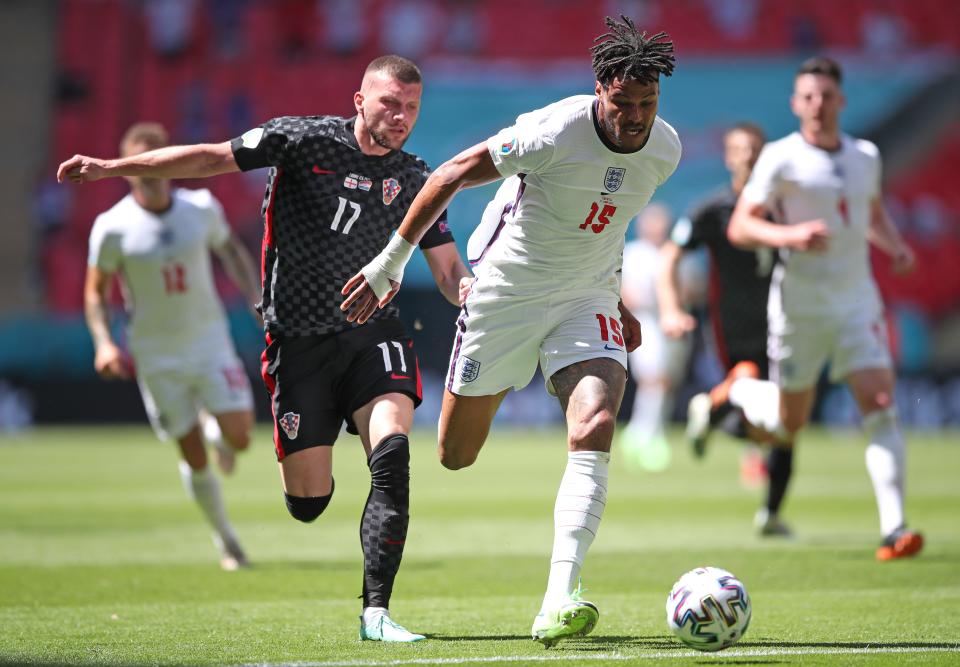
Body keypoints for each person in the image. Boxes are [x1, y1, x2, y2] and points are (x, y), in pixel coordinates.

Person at [60, 55, 471, 641]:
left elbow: (450, 267)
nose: (400, 116)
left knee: (394, 455)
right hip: (298, 344)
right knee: (309, 502)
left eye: (410, 107)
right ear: (359, 100)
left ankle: (376, 614)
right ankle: (306, 484)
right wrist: (111, 168)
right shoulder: (299, 140)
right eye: (388, 103)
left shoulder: (415, 177)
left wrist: (475, 294)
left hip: (373, 336)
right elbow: (209, 156)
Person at [341, 16, 680, 646]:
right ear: (600, 89)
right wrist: (390, 264)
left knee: (596, 422)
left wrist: (617, 294)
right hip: (504, 293)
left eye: (648, 103)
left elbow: (610, 220)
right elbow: (446, 175)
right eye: (624, 102)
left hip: (586, 297)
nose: (636, 117)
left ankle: (560, 596)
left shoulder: (665, 148)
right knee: (455, 454)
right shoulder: (553, 129)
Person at [727, 56, 923, 561]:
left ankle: (894, 529)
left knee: (879, 405)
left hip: (857, 299)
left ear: (842, 101)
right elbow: (741, 226)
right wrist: (789, 234)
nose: (818, 105)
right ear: (796, 104)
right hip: (800, 306)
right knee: (791, 425)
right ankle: (743, 389)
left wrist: (894, 246)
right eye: (808, 97)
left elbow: (870, 211)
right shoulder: (780, 157)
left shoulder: (865, 155)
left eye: (826, 96)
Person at [83, 122, 259, 571]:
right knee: (192, 454)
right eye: (140, 168)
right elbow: (95, 292)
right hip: (156, 355)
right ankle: (227, 540)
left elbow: (232, 253)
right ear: (127, 171)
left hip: (208, 341)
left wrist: (257, 298)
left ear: (170, 161)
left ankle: (216, 428)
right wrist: (104, 343)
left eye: (156, 164)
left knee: (239, 437)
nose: (150, 176)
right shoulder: (112, 227)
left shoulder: (200, 207)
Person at [657, 122, 796, 536]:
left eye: (755, 150)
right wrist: (670, 308)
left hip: (789, 322)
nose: (749, 158)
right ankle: (721, 402)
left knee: (784, 421)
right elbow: (670, 256)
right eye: (740, 150)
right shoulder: (713, 209)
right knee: (760, 391)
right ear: (728, 156)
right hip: (736, 324)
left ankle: (769, 511)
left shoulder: (785, 207)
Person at [619, 203, 691, 471]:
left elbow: (692, 289)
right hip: (646, 323)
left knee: (667, 382)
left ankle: (641, 430)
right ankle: (649, 436)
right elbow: (622, 290)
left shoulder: (675, 254)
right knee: (654, 380)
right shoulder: (633, 253)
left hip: (673, 323)